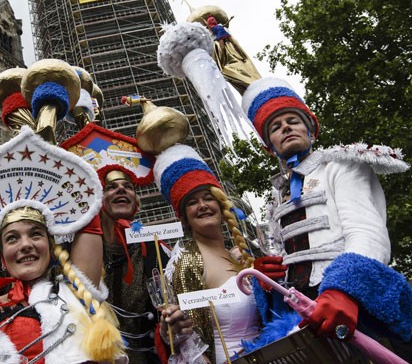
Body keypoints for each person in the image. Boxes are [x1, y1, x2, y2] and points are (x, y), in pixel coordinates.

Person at [241, 77, 412, 359]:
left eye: (293, 120)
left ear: (311, 129)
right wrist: (270, 280)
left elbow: (368, 234)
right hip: (305, 319)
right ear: (268, 146)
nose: (285, 127)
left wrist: (343, 290)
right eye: (275, 126)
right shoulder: (277, 198)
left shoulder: (341, 165)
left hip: (353, 304)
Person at [0, 126, 126, 363]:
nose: (25, 244)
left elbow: (89, 214)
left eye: (35, 234)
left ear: (50, 245)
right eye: (13, 238)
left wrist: (54, 158)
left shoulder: (74, 292)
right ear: (3, 257)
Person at [60, 122, 168, 364]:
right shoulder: (74, 246)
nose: (121, 191)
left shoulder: (151, 246)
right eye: (111, 187)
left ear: (136, 202)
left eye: (128, 187)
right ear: (98, 197)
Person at [152, 144, 257, 364]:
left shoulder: (239, 256)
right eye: (192, 202)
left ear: (220, 204)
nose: (202, 206)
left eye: (208, 198)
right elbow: (187, 341)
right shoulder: (188, 261)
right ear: (184, 217)